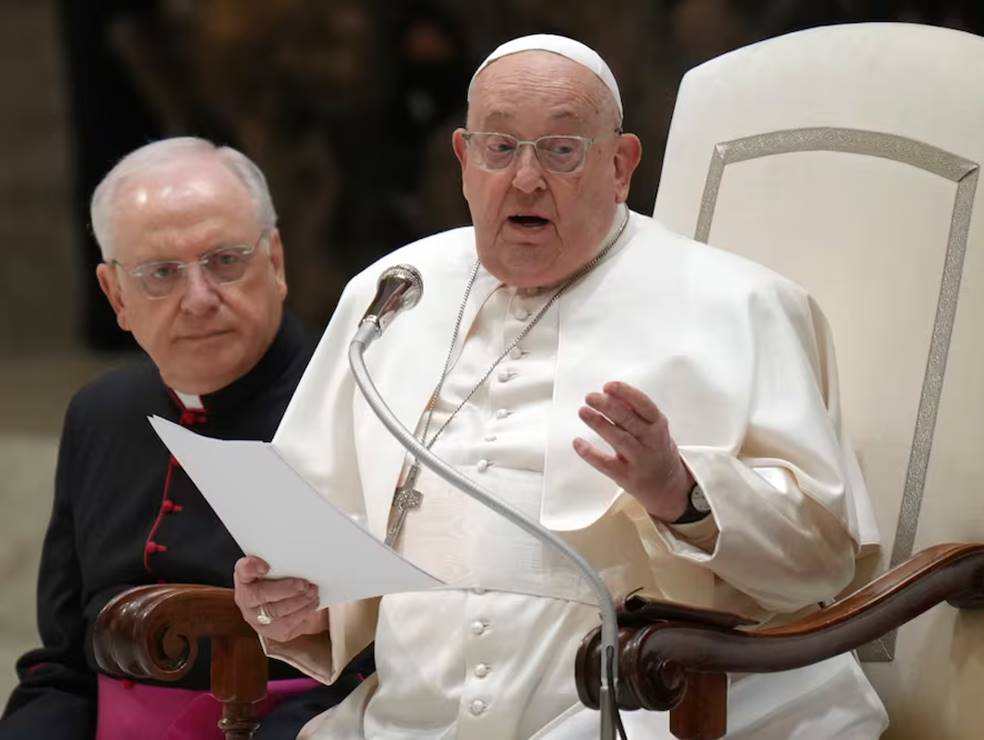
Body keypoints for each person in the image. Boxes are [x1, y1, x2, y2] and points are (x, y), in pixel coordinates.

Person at [234, 36, 888, 738]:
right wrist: (298, 600)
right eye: (499, 147)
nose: (524, 179)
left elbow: (819, 564)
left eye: (561, 150)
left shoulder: (740, 304)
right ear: (462, 159)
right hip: (407, 719)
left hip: (635, 715)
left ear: (621, 164)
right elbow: (319, 539)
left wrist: (681, 493)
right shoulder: (395, 294)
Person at [1, 137, 369, 739]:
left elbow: (379, 664)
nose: (198, 299)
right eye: (161, 274)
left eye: (226, 260)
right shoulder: (100, 414)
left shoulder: (357, 406)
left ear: (275, 261)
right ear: (116, 296)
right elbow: (63, 664)